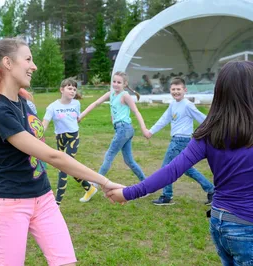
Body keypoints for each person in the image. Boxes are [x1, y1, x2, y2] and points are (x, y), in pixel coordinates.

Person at [0, 38, 123, 266]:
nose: (34, 66)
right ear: (7, 63)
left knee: (66, 262)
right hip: (11, 204)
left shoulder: (21, 101)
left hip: (43, 198)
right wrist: (103, 181)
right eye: (28, 59)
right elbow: (53, 156)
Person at [106, 61, 253, 266]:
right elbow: (172, 169)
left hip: (220, 222)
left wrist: (129, 192)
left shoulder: (208, 132)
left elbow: (172, 170)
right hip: (246, 226)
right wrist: (129, 192)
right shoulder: (209, 132)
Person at [144, 77, 214, 206]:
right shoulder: (173, 105)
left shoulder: (187, 105)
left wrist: (214, 128)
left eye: (178, 89)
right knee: (186, 168)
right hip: (178, 140)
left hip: (181, 141)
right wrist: (151, 131)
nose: (176, 92)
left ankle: (166, 196)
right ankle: (211, 191)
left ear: (185, 90)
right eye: (173, 89)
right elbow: (164, 119)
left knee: (167, 167)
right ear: (170, 90)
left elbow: (201, 118)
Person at [78, 71, 148, 183]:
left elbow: (136, 112)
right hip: (123, 129)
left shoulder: (125, 96)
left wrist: (144, 129)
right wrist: (81, 116)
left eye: (119, 82)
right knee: (129, 161)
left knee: (109, 155)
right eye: (114, 81)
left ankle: (95, 183)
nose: (115, 84)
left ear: (125, 84)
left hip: (124, 129)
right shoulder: (111, 94)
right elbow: (96, 103)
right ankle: (146, 183)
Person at [42, 78, 98, 205]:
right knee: (68, 166)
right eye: (69, 88)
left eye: (74, 89)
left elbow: (77, 119)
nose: (72, 91)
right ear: (62, 90)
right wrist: (38, 134)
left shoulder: (76, 104)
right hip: (60, 139)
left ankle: (57, 203)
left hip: (73, 137)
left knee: (64, 168)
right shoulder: (52, 107)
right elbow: (45, 123)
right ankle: (89, 188)